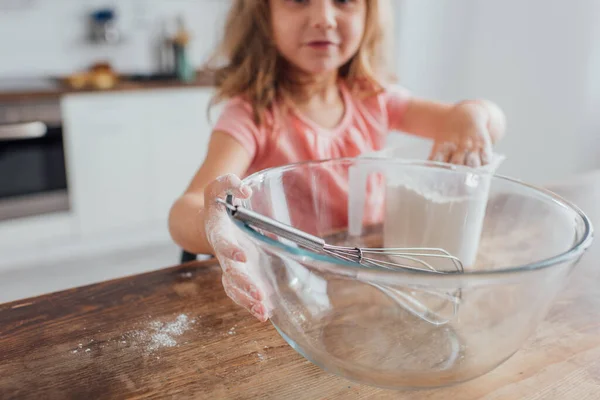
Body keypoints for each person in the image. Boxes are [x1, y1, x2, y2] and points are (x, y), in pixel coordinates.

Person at [168, 0, 507, 322]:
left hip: (373, 284)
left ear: (369, 14)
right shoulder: (252, 116)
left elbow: (489, 121)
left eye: (344, 0)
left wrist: (472, 115)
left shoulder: (374, 98)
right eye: (299, 0)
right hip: (296, 289)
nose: (324, 18)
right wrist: (211, 226)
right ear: (263, 15)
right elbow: (184, 211)